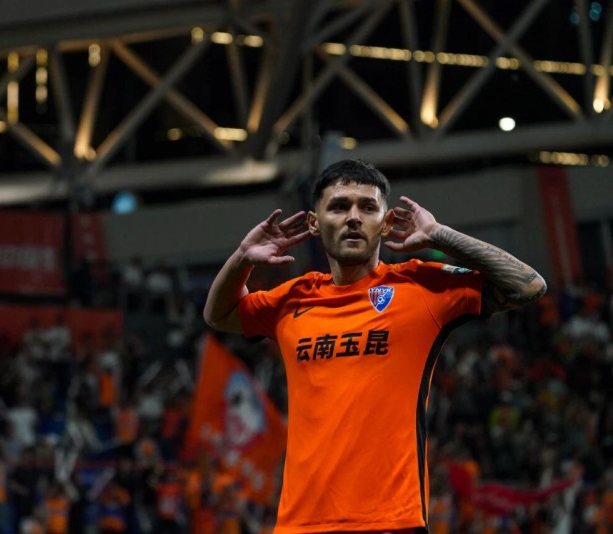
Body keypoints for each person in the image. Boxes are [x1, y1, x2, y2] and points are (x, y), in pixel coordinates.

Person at [203, 159, 547, 533]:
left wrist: (440, 235)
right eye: (339, 206)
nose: (354, 218)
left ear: (386, 222)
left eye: (367, 207)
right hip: (300, 524)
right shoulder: (292, 299)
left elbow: (528, 286)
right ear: (314, 223)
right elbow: (219, 315)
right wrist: (242, 258)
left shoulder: (421, 288)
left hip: (391, 522)